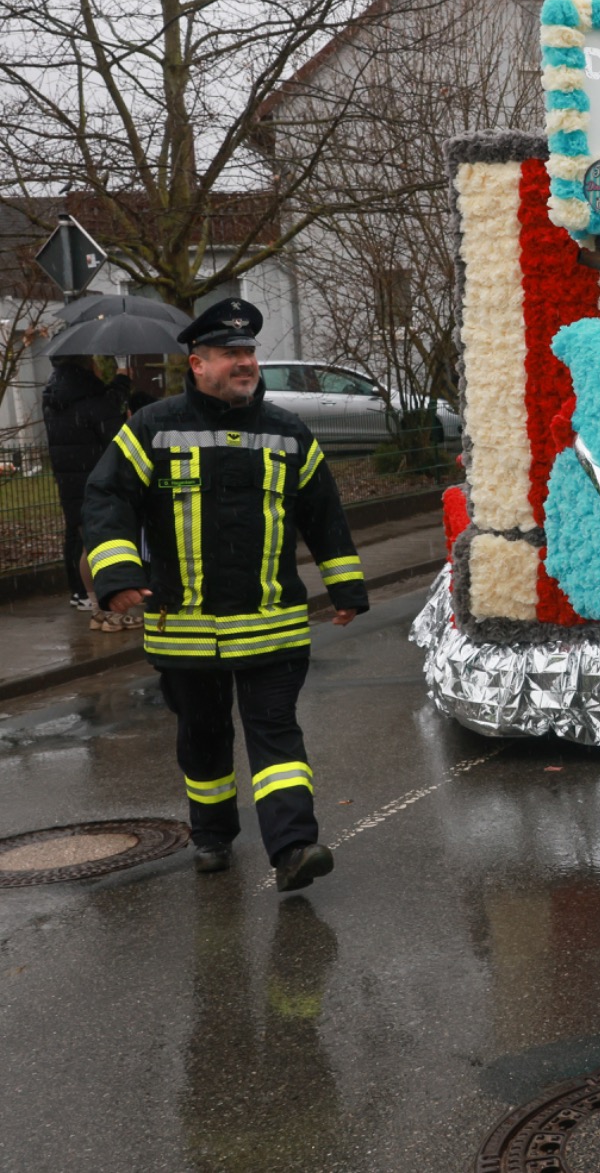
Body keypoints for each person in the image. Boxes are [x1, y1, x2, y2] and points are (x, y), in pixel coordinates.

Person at [82, 299, 368, 891]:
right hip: (185, 630)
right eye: (231, 353)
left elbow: (324, 514)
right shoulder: (152, 427)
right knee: (203, 737)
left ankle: (294, 847)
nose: (245, 362)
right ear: (198, 363)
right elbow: (106, 497)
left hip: (272, 627)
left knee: (276, 734)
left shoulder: (288, 431)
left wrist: (345, 586)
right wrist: (116, 576)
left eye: (249, 352)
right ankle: (212, 835)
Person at [43, 355, 135, 628]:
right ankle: (112, 613)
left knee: (86, 543)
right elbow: (116, 438)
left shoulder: (55, 396)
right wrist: (125, 417)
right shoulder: (92, 397)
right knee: (106, 545)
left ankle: (96, 607)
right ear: (87, 365)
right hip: (100, 480)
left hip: (71, 482)